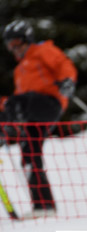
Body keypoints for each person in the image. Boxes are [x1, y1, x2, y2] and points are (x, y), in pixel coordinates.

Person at [0, 19, 77, 217]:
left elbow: (63, 64)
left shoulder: (42, 51)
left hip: (48, 104)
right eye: (10, 45)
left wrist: (67, 81)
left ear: (27, 40)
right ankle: (43, 206)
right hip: (32, 115)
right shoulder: (19, 70)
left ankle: (6, 129)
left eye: (17, 43)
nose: (14, 49)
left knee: (16, 102)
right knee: (29, 156)